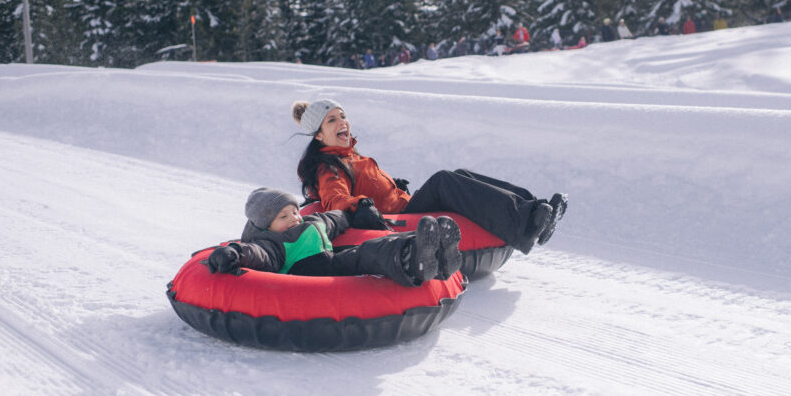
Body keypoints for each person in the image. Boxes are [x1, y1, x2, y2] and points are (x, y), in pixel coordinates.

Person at [292, 99, 568, 255]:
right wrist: (361, 204)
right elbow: (334, 201)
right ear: (318, 135)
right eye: (332, 120)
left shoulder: (351, 155)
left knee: (459, 175)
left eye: (343, 115)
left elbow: (369, 183)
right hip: (396, 218)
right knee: (444, 180)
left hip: (404, 205)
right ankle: (527, 225)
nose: (343, 122)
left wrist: (393, 186)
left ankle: (535, 208)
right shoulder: (329, 166)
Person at [206, 187, 463, 287]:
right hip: (309, 275)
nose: (294, 219)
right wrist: (235, 253)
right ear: (267, 226)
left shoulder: (312, 221)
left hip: (331, 259)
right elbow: (257, 255)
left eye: (294, 211)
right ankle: (413, 260)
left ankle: (430, 253)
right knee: (365, 257)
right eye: (283, 217)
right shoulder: (271, 243)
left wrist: (353, 213)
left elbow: (334, 219)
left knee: (368, 249)